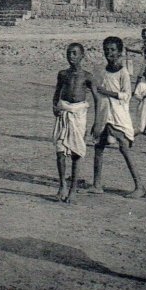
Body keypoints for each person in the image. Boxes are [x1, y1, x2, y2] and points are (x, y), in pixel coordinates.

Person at [91, 36, 146, 198]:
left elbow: (127, 96)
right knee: (98, 147)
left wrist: (107, 92)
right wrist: (96, 120)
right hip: (104, 114)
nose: (110, 53)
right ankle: (97, 184)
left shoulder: (123, 73)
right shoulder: (101, 72)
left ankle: (140, 186)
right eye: (107, 50)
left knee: (124, 147)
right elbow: (98, 96)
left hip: (118, 115)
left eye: (113, 50)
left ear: (120, 52)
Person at [52, 43, 98, 204]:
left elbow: (97, 99)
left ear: (82, 56)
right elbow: (57, 93)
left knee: (76, 153)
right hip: (64, 113)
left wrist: (97, 123)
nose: (71, 56)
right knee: (60, 151)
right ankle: (62, 185)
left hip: (79, 115)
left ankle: (73, 189)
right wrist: (54, 107)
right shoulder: (63, 74)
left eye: (74, 53)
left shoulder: (87, 76)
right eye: (69, 53)